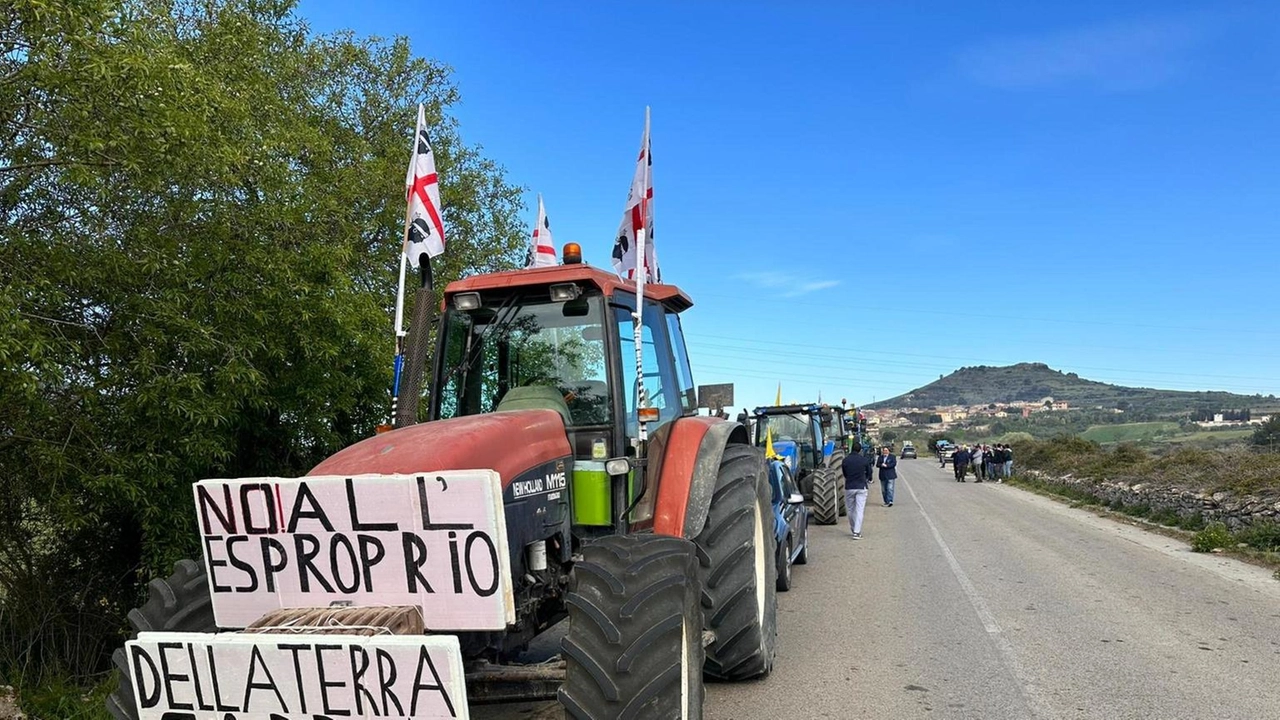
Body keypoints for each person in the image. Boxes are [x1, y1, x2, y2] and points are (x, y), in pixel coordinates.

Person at [841, 446, 874, 538]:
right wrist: (867, 479)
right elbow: (869, 472)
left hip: (850, 487)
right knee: (859, 510)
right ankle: (857, 531)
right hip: (861, 487)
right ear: (860, 450)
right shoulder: (864, 460)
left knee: (850, 509)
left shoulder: (845, 460)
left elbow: (844, 473)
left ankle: (853, 528)